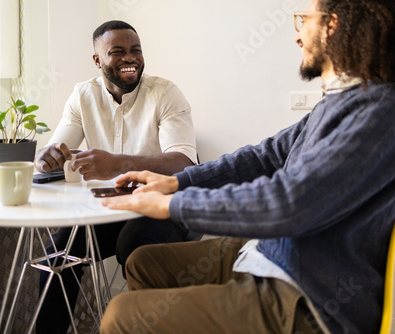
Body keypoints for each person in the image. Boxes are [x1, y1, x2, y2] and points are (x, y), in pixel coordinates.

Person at [99, 0, 395, 333]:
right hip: (275, 254)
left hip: (307, 295)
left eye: (304, 21)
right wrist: (177, 183)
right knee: (143, 262)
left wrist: (171, 205)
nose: (297, 37)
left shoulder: (378, 112)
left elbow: (288, 203)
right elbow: (264, 156)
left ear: (334, 25)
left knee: (121, 315)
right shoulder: (340, 101)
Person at [34, 20, 197, 333]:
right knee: (58, 256)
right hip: (108, 210)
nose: (130, 58)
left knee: (136, 245)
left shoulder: (165, 93)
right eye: (118, 52)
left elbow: (184, 163)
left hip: (161, 208)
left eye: (135, 50)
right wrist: (47, 158)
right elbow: (58, 149)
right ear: (98, 60)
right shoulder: (82, 96)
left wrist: (118, 164)